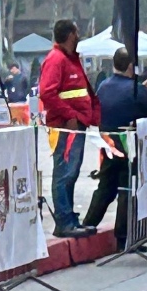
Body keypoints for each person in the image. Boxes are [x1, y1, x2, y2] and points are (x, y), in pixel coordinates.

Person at [82, 47, 147, 251]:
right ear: (130, 66)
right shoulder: (136, 88)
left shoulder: (103, 86)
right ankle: (124, 238)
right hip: (131, 146)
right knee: (128, 189)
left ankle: (88, 224)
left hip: (108, 143)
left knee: (106, 187)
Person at [38, 19, 100, 238]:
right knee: (64, 173)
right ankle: (64, 221)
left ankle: (69, 217)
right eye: (77, 31)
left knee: (71, 173)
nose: (80, 34)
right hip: (65, 127)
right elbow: (47, 93)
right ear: (71, 34)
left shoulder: (70, 60)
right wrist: (70, 115)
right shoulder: (56, 60)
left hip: (76, 125)